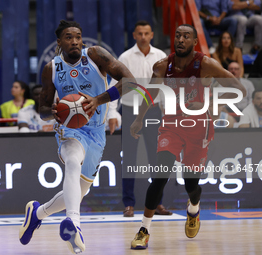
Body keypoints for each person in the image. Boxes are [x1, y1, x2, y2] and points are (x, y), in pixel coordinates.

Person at [19, 20, 136, 254]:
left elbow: (130, 81)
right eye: (69, 37)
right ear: (59, 42)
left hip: (96, 131)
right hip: (69, 128)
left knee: (80, 192)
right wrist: (50, 112)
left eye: (78, 36)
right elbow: (43, 110)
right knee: (72, 162)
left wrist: (98, 100)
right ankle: (74, 224)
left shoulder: (95, 55)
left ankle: (37, 213)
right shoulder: (51, 68)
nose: (74, 41)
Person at [129, 24, 246, 249]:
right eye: (178, 35)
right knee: (160, 176)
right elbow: (151, 93)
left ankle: (194, 208)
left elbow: (239, 89)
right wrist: (138, 119)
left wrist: (210, 103)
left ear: (194, 42)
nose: (181, 39)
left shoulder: (206, 64)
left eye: (186, 36)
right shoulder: (163, 66)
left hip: (198, 128)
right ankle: (144, 229)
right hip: (171, 125)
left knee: (191, 183)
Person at [109, 20, 171, 217]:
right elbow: (114, 83)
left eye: (146, 33)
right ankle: (128, 204)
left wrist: (168, 110)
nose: (143, 36)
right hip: (130, 110)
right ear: (134, 35)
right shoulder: (125, 57)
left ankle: (157, 204)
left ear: (152, 35)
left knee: (157, 158)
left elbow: (167, 86)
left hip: (154, 111)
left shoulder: (161, 56)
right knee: (129, 158)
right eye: (139, 33)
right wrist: (112, 111)